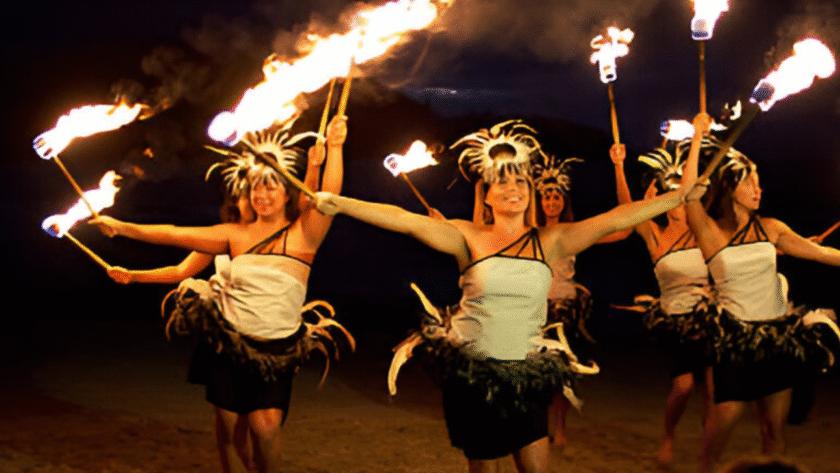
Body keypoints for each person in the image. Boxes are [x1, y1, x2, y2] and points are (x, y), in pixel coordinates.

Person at [315, 119, 705, 473]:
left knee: (535, 468)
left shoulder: (551, 242)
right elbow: (405, 222)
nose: (512, 189)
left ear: (530, 189)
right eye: (501, 182)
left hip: (527, 373)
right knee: (485, 470)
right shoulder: (465, 236)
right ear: (486, 194)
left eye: (520, 181)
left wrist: (680, 197)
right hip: (474, 375)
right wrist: (342, 204)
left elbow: (617, 219)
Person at [94, 115, 349, 473]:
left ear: (288, 191)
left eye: (271, 186)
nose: (261, 195)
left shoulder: (304, 235)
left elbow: (327, 195)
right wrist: (123, 229)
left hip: (276, 348)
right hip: (228, 345)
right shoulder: (232, 234)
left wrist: (333, 149)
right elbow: (173, 234)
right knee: (230, 431)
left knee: (266, 427)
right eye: (255, 187)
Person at [681, 113, 840, 473]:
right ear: (729, 186)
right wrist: (697, 138)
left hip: (777, 338)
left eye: (760, 183)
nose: (758, 189)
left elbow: (822, 253)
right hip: (735, 342)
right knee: (726, 416)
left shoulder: (771, 228)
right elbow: (689, 193)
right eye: (750, 183)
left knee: (775, 428)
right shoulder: (709, 232)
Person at [108, 190, 257, 473]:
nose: (252, 200)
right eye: (244, 196)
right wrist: (133, 275)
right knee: (227, 425)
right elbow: (180, 270)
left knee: (253, 427)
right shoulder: (220, 236)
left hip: (262, 341)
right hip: (223, 338)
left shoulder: (279, 237)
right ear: (234, 202)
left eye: (255, 193)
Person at [611, 128, 714, 465]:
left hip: (712, 318)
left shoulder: (704, 233)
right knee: (684, 387)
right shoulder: (655, 237)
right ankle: (668, 436)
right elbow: (627, 211)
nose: (675, 205)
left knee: (713, 392)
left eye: (679, 197)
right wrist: (618, 166)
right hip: (677, 320)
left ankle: (707, 454)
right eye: (667, 198)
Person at [531, 151, 630, 447]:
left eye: (557, 197)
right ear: (540, 201)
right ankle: (536, 427)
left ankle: (559, 428)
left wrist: (618, 168)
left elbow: (624, 229)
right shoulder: (529, 232)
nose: (551, 202)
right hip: (533, 311)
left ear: (564, 202)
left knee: (562, 372)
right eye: (547, 198)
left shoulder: (576, 233)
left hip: (565, 311)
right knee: (533, 371)